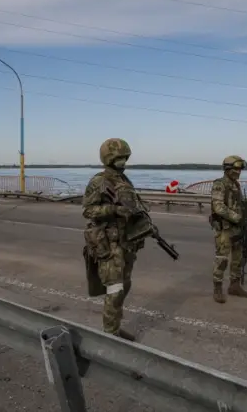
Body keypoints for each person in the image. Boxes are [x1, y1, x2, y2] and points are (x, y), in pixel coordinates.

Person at [81, 138, 147, 341]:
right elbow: (88, 210)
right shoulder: (99, 181)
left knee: (125, 285)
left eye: (124, 157)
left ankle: (115, 328)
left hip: (127, 242)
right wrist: (114, 210)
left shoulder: (124, 180)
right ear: (109, 158)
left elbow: (133, 206)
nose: (123, 161)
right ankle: (110, 336)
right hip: (110, 245)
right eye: (119, 157)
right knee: (115, 289)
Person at [209, 155, 247, 304]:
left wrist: (244, 221)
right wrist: (237, 218)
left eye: (240, 168)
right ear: (228, 169)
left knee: (238, 258)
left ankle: (234, 286)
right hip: (225, 228)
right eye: (236, 168)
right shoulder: (219, 184)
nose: (239, 171)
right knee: (222, 259)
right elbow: (218, 207)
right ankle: (217, 288)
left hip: (237, 228)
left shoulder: (236, 184)